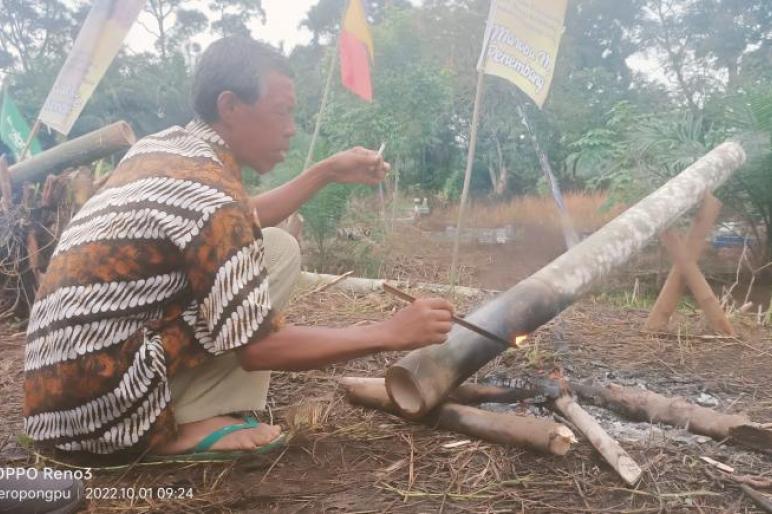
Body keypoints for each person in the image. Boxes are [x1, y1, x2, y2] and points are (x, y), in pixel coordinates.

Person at [22, 36, 455, 461]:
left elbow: (238, 220)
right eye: (281, 112)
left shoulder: (168, 147)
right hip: (93, 417)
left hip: (57, 394)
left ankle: (193, 404)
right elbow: (260, 346)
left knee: (276, 248)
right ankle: (170, 432)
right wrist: (388, 333)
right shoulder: (212, 197)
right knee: (244, 308)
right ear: (229, 106)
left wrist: (325, 172)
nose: (290, 128)